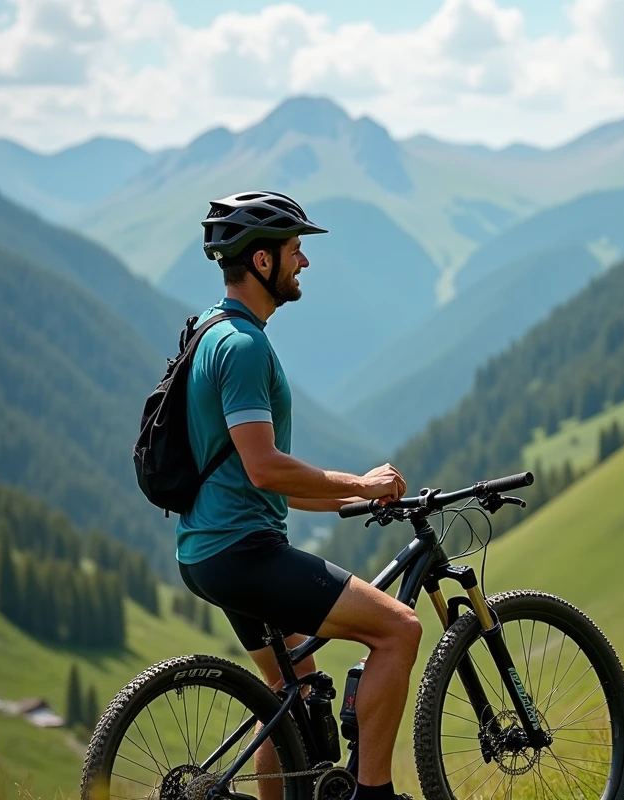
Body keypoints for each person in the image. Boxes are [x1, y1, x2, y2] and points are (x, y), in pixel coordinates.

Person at [178, 190, 420, 800]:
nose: (304, 262)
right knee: (399, 630)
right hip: (245, 552)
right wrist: (361, 482)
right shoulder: (243, 346)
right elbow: (265, 469)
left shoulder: (210, 329)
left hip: (208, 551)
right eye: (294, 250)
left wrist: (351, 498)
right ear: (262, 262)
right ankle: (375, 794)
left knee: (294, 702)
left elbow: (261, 478)